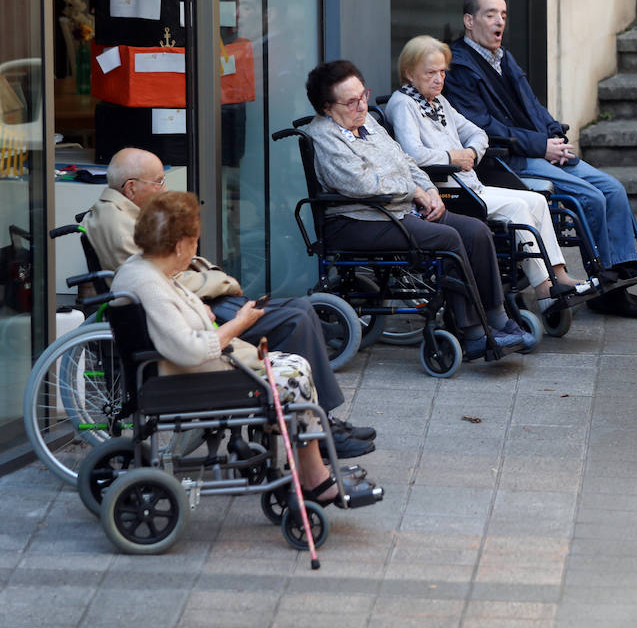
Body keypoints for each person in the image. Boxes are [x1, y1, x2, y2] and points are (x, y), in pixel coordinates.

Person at [85, 147, 376, 457]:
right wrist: (222, 284)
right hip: (195, 319)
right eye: (158, 181)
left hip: (199, 305)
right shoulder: (118, 225)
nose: (164, 188)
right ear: (131, 187)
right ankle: (318, 427)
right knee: (297, 318)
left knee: (299, 311)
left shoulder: (124, 215)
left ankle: (320, 419)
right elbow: (163, 281)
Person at [110, 191, 383, 508]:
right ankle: (316, 479)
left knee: (294, 363)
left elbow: (172, 318)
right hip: (194, 376)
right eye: (194, 240)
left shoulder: (142, 269)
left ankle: (314, 469)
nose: (196, 246)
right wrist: (239, 323)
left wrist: (197, 309)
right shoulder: (151, 284)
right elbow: (189, 350)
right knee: (295, 374)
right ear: (181, 245)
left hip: (184, 371)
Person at [443, 0, 637, 318]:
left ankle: (619, 281)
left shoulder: (503, 58)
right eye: (490, 14)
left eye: (503, 15)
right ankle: (604, 281)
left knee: (612, 188)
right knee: (591, 197)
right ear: (469, 21)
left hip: (540, 150)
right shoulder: (459, 68)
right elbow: (483, 127)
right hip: (506, 159)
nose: (499, 21)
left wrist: (554, 135)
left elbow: (532, 106)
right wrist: (540, 146)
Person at [302, 60, 535, 360]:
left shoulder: (368, 124)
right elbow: (362, 183)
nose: (361, 106)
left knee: (477, 230)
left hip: (400, 210)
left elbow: (407, 162)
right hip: (359, 219)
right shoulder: (323, 136)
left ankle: (498, 317)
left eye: (363, 96)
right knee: (448, 239)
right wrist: (414, 193)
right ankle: (473, 332)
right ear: (325, 107)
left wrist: (431, 191)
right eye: (350, 102)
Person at [385, 35, 592, 306]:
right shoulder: (403, 104)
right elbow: (412, 154)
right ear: (410, 73)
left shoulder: (438, 102)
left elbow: (478, 133)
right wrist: (453, 157)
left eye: (442, 72)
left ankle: (558, 275)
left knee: (538, 201)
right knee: (517, 208)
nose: (439, 79)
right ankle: (543, 289)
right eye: (430, 73)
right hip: (446, 190)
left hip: (469, 185)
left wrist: (470, 153)